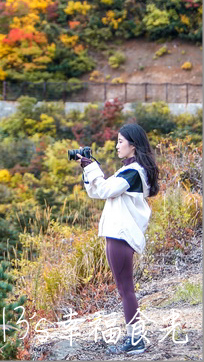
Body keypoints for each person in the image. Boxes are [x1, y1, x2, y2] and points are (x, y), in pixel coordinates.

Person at [79, 123, 160, 355]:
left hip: (121, 235)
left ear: (133, 145)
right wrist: (88, 169)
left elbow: (105, 190)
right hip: (117, 233)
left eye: (120, 141)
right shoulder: (127, 171)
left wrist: (92, 167)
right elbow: (97, 191)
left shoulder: (134, 172)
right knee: (125, 289)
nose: (117, 146)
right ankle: (135, 339)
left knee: (126, 290)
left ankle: (136, 341)